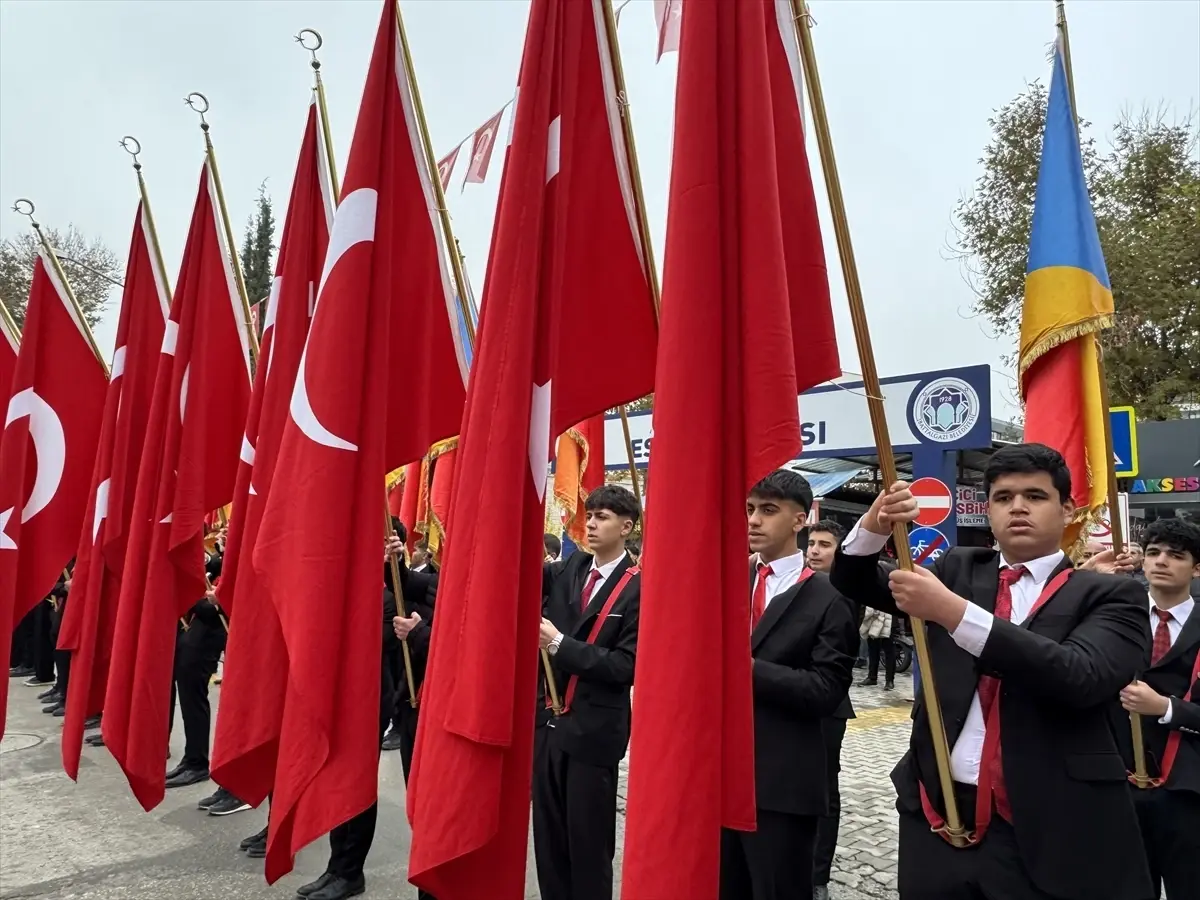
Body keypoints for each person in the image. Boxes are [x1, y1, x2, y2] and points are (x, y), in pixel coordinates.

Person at [831, 443, 1153, 900]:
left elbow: (1081, 676)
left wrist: (954, 613)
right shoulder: (959, 567)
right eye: (1003, 497)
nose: (1017, 507)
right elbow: (856, 581)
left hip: (1048, 820)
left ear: (1067, 510)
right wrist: (872, 526)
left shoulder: (1109, 594)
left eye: (1035, 496)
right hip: (938, 810)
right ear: (988, 510)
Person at [721, 472, 858, 900]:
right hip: (722, 772)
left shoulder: (828, 595)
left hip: (783, 782)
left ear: (800, 520)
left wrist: (745, 669)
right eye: (750, 510)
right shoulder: (727, 582)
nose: (754, 521)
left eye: (768, 510)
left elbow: (825, 689)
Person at [294, 539, 417, 900]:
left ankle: (351, 871)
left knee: (358, 786)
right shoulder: (343, 593)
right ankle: (334, 866)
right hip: (337, 701)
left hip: (368, 702)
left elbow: (375, 641)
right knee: (336, 782)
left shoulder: (388, 596)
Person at [534, 485, 641, 900]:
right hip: (547, 723)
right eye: (590, 514)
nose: (592, 523)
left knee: (588, 844)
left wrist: (561, 644)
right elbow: (512, 563)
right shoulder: (568, 568)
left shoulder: (638, 587)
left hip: (594, 731)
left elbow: (625, 666)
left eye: (604, 517)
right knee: (549, 841)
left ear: (626, 527)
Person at [1113, 518, 1200, 899]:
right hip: (1118, 781)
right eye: (1153, 553)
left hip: (1188, 791)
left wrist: (1166, 707)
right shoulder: (1113, 615)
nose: (1161, 561)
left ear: (1196, 568)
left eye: (1175, 556)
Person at [804, 519, 857, 900]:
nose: (815, 550)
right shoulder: (794, 585)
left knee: (823, 791)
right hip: (784, 705)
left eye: (825, 544)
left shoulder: (845, 590)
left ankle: (817, 875)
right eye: (812, 543)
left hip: (828, 706)